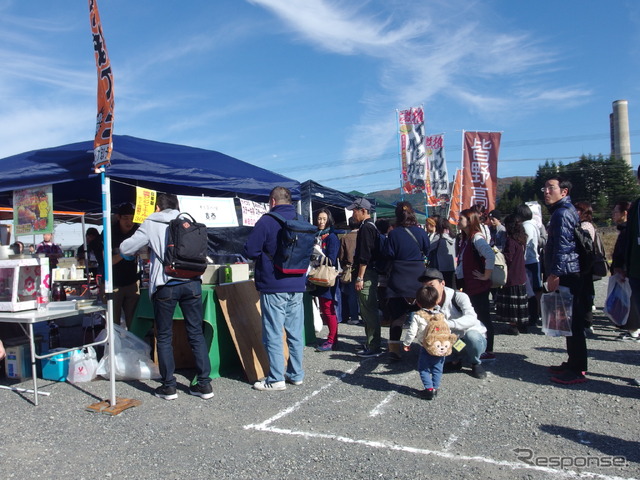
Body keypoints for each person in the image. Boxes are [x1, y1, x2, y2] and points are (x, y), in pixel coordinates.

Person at [120, 193, 213, 400]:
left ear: (158, 208)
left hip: (166, 284)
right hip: (193, 283)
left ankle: (169, 386)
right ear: (177, 206)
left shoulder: (151, 222)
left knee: (163, 335)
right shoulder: (188, 221)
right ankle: (204, 385)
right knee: (196, 333)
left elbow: (126, 248)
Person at [243, 186, 306, 390]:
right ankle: (296, 374)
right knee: (295, 332)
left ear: (272, 201)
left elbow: (251, 250)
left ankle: (276, 378)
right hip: (297, 283)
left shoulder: (267, 221)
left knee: (273, 332)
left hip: (273, 284)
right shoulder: (302, 220)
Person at [543, 176, 587, 385]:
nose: (546, 191)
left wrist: (554, 275)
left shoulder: (562, 213)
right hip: (568, 271)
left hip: (568, 273)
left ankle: (577, 369)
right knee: (569, 322)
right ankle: (573, 363)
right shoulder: (562, 212)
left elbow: (563, 248)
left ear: (564, 192)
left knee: (574, 323)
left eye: (551, 188)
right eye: (545, 188)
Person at [418, 268, 488, 379]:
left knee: (472, 337)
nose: (429, 290)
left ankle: (475, 362)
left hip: (470, 337)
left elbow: (472, 318)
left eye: (432, 285)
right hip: (454, 341)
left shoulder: (458, 297)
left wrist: (447, 324)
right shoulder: (428, 301)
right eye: (425, 287)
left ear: (443, 283)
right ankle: (455, 360)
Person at [384, 201, 430, 361]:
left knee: (397, 317)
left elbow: (389, 253)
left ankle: (394, 351)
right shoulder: (421, 232)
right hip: (418, 277)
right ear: (413, 214)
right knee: (425, 314)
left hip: (398, 278)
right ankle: (429, 345)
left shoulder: (394, 233)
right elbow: (427, 250)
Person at [457, 208, 496, 360]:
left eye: (461, 219)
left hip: (477, 285)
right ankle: (467, 348)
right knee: (468, 316)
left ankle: (488, 350)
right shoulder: (466, 239)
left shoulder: (476, 238)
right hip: (468, 284)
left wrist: (486, 275)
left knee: (483, 316)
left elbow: (490, 255)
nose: (458, 222)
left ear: (469, 221)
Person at [347, 197, 382, 358]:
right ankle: (371, 341)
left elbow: (365, 255)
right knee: (367, 309)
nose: (352, 213)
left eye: (354, 210)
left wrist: (360, 277)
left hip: (367, 273)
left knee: (368, 310)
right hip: (369, 272)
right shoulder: (369, 226)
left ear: (363, 210)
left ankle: (374, 345)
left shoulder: (367, 228)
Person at [402, 285, 449, 400]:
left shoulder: (418, 316)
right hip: (440, 347)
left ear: (418, 303)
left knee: (423, 368)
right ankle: (435, 388)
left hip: (426, 347)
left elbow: (412, 332)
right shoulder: (441, 315)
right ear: (437, 300)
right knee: (438, 368)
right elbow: (448, 329)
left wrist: (406, 343)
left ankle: (428, 389)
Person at [610, 201, 640, 341]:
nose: (613, 215)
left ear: (625, 213)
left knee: (632, 299)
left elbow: (624, 249)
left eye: (616, 211)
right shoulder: (624, 228)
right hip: (628, 267)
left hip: (629, 268)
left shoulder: (628, 229)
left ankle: (633, 329)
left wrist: (621, 266)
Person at [312, 208, 340, 352]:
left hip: (327, 277)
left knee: (329, 310)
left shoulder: (332, 237)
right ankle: (332, 338)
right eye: (319, 219)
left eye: (324, 219)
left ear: (329, 220)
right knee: (324, 308)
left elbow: (332, 259)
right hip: (319, 277)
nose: (321, 221)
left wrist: (317, 257)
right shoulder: (317, 236)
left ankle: (332, 340)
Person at [496, 214, 528, 335]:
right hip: (520, 274)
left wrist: (499, 254)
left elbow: (508, 258)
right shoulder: (521, 239)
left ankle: (513, 326)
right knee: (520, 303)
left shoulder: (510, 240)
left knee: (512, 303)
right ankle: (522, 324)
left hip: (512, 275)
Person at [111, 203, 140, 329]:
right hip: (114, 284)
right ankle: (115, 348)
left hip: (133, 282)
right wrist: (123, 255)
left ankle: (135, 347)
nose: (129, 222)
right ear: (118, 217)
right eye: (126, 218)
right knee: (114, 322)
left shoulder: (138, 232)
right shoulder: (110, 233)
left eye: (132, 218)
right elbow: (107, 261)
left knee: (133, 320)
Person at [515, 203, 543, 329]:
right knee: (535, 289)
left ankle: (533, 315)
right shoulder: (533, 224)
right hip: (534, 260)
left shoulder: (526, 226)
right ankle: (535, 314)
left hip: (529, 262)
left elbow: (526, 245)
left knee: (531, 291)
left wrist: (521, 260)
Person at [574, 201, 597, 336]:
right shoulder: (582, 225)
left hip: (585, 265)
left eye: (578, 210)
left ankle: (587, 323)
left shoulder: (586, 226)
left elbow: (585, 247)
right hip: (584, 265)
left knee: (585, 295)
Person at [338, 217, 361, 325]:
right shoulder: (363, 236)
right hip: (362, 267)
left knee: (351, 294)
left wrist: (344, 266)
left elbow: (341, 256)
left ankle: (354, 316)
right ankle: (365, 316)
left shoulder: (345, 238)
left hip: (349, 269)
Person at [428, 217, 456, 289]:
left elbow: (428, 248)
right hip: (452, 267)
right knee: (451, 288)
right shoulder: (453, 237)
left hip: (440, 268)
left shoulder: (438, 237)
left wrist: (433, 233)